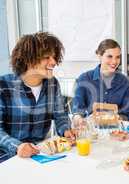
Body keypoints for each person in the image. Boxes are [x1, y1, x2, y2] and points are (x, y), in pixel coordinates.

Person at [0, 32, 76, 162]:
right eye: (47, 57)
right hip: (8, 158)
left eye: (54, 57)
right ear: (28, 59)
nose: (53, 62)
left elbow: (60, 116)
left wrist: (65, 130)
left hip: (39, 155)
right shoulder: (3, 86)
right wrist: (17, 146)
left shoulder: (52, 84)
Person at [72, 39, 129, 122]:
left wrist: (118, 118)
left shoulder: (125, 82)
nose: (114, 61)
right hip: (90, 131)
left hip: (115, 132)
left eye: (117, 57)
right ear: (99, 56)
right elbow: (77, 111)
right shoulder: (84, 79)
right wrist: (78, 119)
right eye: (110, 56)